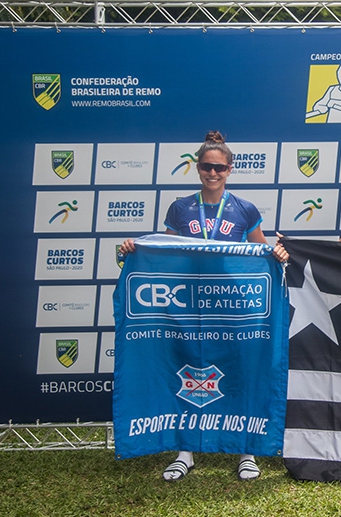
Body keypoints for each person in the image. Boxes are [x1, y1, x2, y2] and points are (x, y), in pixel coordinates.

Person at [119, 131, 288, 482]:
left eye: (219, 167)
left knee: (241, 370)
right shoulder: (180, 207)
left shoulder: (245, 209)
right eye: (206, 167)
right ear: (197, 168)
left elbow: (260, 255)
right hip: (189, 305)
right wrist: (134, 251)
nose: (212, 173)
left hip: (234, 305)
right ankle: (185, 452)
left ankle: (247, 452)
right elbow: (164, 253)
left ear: (230, 169)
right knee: (187, 370)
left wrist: (278, 254)